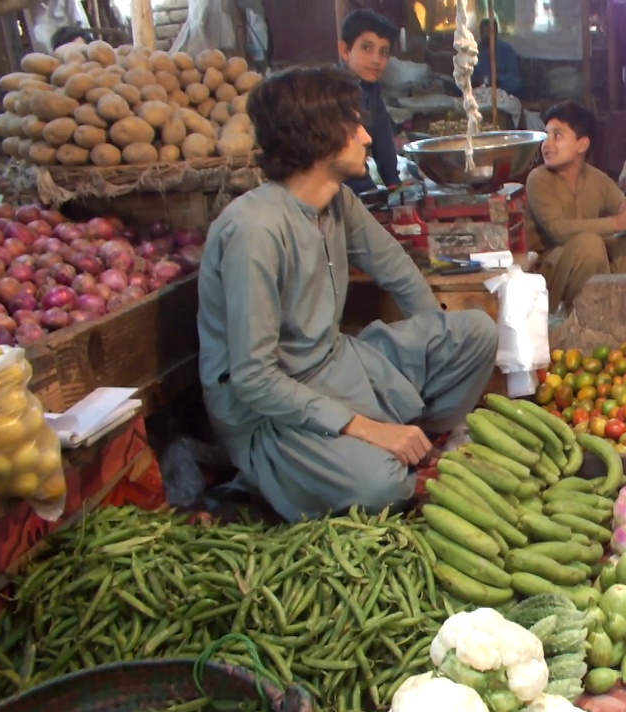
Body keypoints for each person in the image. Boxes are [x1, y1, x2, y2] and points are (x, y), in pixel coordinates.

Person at [197, 66, 498, 521]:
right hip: (270, 410)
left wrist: (431, 338)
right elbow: (254, 379)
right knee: (383, 484)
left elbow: (397, 271)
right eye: (354, 124)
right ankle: (304, 468)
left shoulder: (338, 201)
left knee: (476, 333)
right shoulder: (254, 231)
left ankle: (406, 438)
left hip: (337, 366)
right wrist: (370, 430)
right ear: (320, 137)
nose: (365, 135)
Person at [526, 101, 626, 314]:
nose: (547, 145)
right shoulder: (538, 179)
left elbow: (625, 209)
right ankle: (577, 314)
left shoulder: (598, 179)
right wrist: (618, 223)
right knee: (590, 245)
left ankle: (611, 301)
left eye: (557, 136)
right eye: (546, 135)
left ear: (582, 145)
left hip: (594, 263)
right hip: (551, 268)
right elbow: (558, 230)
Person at [338, 9, 401, 195]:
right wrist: (373, 196)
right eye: (366, 48)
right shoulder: (335, 92)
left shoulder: (371, 88)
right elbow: (344, 165)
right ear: (345, 50)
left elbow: (383, 141)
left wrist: (394, 186)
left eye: (384, 52)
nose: (376, 60)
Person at [473, 19, 523, 98]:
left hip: (502, 86)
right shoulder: (476, 49)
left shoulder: (506, 49)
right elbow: (472, 72)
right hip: (481, 88)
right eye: (483, 32)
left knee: (516, 83)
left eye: (488, 32)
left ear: (495, 33)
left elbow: (514, 73)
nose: (486, 35)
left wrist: (497, 79)